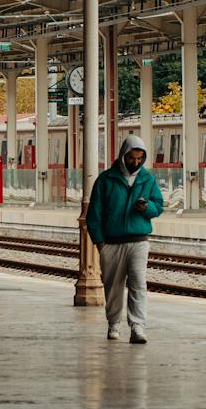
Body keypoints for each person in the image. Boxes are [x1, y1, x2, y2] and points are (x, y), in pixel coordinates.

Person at [86, 133, 164, 344]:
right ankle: (113, 324)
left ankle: (138, 326)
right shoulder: (105, 179)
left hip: (139, 240)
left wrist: (146, 207)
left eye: (140, 159)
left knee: (139, 284)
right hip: (111, 243)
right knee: (113, 287)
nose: (135, 162)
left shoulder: (148, 179)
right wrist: (100, 242)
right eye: (132, 158)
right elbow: (94, 214)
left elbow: (159, 206)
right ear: (123, 155)